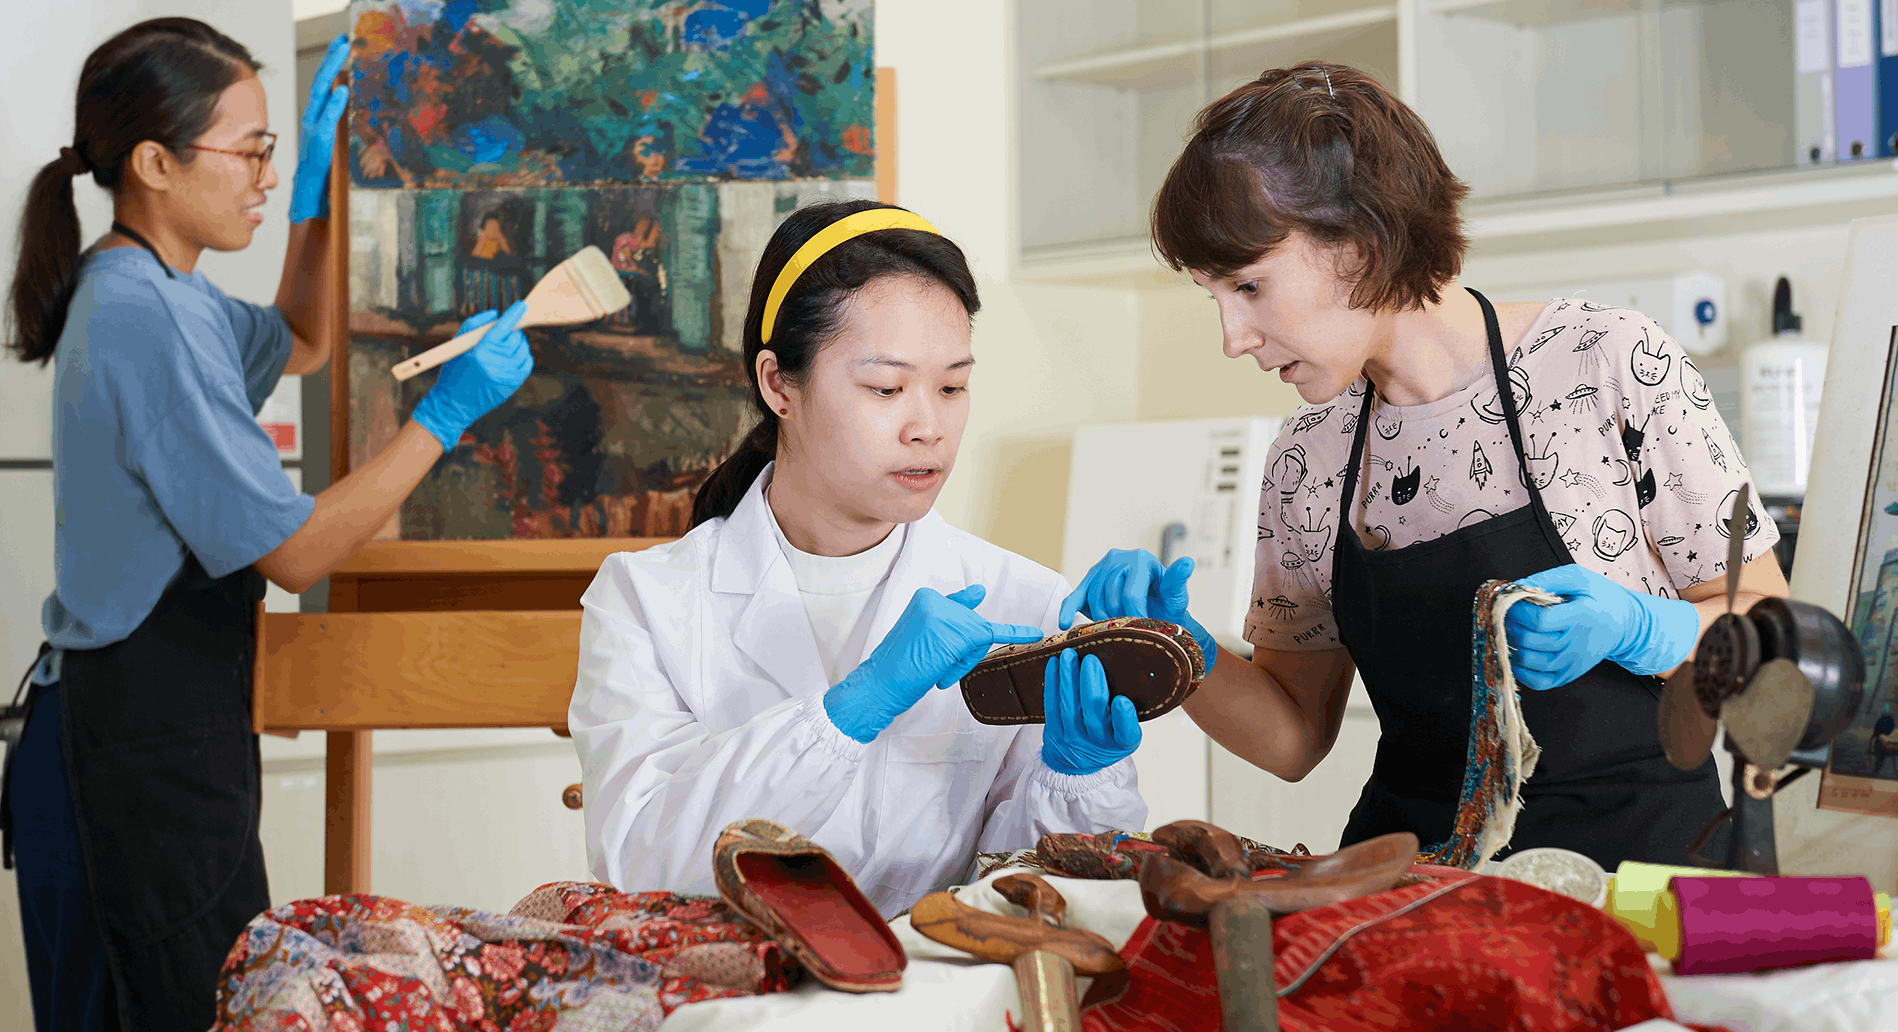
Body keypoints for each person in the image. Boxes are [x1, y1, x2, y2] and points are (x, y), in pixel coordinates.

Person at [1062, 62, 1786, 871]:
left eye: (1249, 285)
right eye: (1214, 297)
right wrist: (1177, 647)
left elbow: (1770, 637)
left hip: (1644, 881)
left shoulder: (1606, 362)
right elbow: (1295, 733)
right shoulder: (1308, 457)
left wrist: (1650, 629)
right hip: (1409, 889)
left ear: (1361, 245)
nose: (1232, 335)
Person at [1, 19, 534, 1032]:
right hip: (127, 750)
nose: (261, 171)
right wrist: (445, 418)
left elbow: (302, 339)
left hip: (168, 731)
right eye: (248, 150)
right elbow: (296, 550)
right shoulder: (138, 315)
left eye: (271, 151)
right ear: (155, 163)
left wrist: (315, 201)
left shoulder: (173, 295)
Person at [571, 200, 1148, 918]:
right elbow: (640, 859)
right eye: (885, 388)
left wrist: (1076, 783)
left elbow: (1037, 904)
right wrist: (851, 710)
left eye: (952, 386)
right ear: (779, 383)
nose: (928, 428)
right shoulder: (646, 601)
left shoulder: (1019, 599)